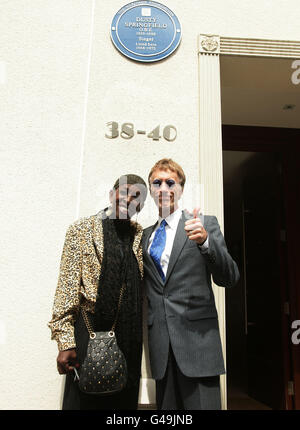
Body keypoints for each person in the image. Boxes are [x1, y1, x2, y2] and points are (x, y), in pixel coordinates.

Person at [142, 159, 240, 410]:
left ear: (181, 189)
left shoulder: (204, 224)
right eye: (157, 182)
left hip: (198, 345)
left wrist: (206, 243)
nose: (163, 187)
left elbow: (229, 277)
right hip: (161, 349)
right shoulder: (145, 236)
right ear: (151, 190)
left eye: (170, 182)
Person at [48, 174, 147, 410]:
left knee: (123, 404)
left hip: (129, 338)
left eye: (137, 197)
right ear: (112, 194)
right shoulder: (82, 230)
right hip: (90, 331)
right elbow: (66, 287)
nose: (129, 199)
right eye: (124, 191)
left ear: (140, 206)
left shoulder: (138, 235)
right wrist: (65, 342)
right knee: (85, 401)